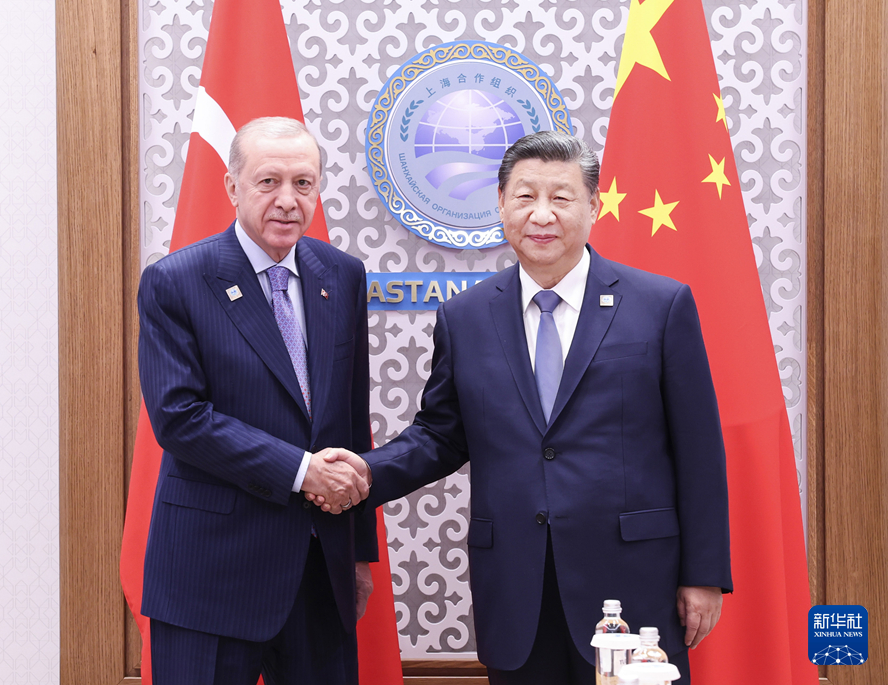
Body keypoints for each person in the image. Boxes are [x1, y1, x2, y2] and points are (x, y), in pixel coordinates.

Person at [314, 131, 732, 684]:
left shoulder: (660, 305)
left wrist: (703, 574)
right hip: (517, 585)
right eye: (525, 196)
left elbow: (699, 449)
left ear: (593, 205)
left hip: (632, 582)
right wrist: (367, 472)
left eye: (561, 197)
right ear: (501, 203)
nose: (542, 214)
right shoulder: (466, 317)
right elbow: (441, 435)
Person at [137, 117, 375, 685]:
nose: (288, 200)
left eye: (303, 183)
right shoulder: (176, 281)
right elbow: (179, 418)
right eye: (269, 181)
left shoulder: (342, 275)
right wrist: (302, 471)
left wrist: (358, 553)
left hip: (320, 570)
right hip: (210, 574)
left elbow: (350, 421)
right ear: (232, 186)